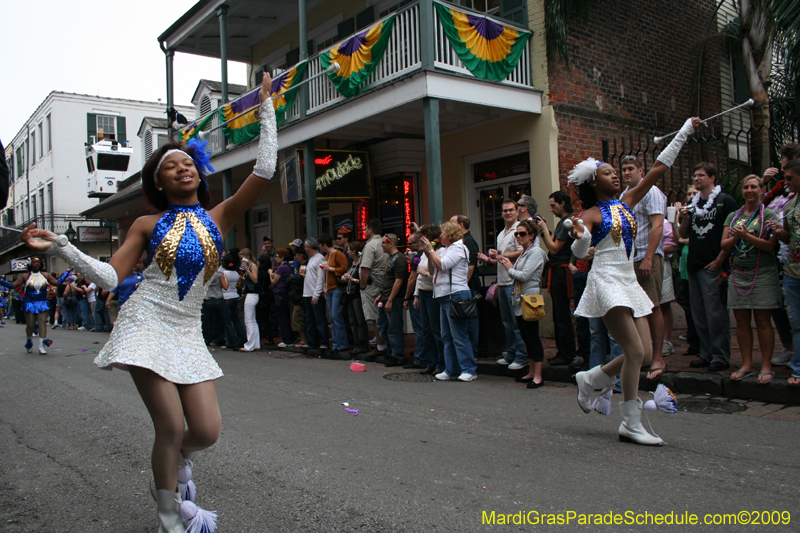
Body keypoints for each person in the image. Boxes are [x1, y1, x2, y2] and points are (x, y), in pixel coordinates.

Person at [21, 71, 278, 531]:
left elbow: (265, 169)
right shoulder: (145, 222)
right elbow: (106, 274)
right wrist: (63, 246)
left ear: (200, 170)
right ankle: (170, 514)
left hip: (187, 329)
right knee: (172, 426)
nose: (182, 168)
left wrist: (266, 107)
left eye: (187, 162)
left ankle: (179, 461)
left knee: (205, 432)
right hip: (145, 322)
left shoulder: (221, 216)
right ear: (159, 183)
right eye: (170, 167)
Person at [571, 117, 701, 446]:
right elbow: (580, 251)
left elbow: (657, 169)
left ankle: (592, 377)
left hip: (628, 281)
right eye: (606, 172)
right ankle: (629, 422)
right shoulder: (590, 215)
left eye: (615, 172)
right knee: (633, 350)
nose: (615, 173)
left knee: (642, 356)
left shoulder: (626, 202)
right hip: (606, 281)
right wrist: (581, 237)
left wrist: (683, 130)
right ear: (593, 183)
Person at [678, 162, 738, 372]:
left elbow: (732, 234)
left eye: (701, 175)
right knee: (699, 313)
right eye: (695, 175)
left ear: (712, 178)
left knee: (715, 313)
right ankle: (705, 352)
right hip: (694, 263)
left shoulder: (724, 201)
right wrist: (685, 218)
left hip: (713, 263)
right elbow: (682, 235)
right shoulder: (693, 204)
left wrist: (720, 260)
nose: (696, 179)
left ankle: (720, 356)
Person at [720, 175, 779, 384]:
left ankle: (765, 364)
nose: (749, 190)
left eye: (754, 186)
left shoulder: (769, 214)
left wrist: (747, 237)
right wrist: (737, 236)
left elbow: (770, 246)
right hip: (738, 273)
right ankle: (746, 363)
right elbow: (725, 246)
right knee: (742, 320)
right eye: (746, 187)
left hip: (761, 272)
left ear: (762, 190)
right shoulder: (733, 217)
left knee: (763, 320)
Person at [619, 156, 667, 379]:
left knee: (652, 306)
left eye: (631, 169)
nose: (626, 173)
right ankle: (642, 355)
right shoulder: (623, 196)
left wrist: (648, 257)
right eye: (624, 170)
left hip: (648, 257)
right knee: (635, 308)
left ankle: (657, 357)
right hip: (629, 259)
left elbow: (658, 226)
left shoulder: (652, 192)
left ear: (641, 171)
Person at [420, 221, 478, 382]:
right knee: (446, 335)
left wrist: (431, 251)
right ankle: (451, 369)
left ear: (450, 234)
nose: (440, 236)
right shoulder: (448, 249)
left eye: (443, 233)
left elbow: (443, 265)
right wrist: (428, 254)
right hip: (445, 295)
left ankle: (469, 369)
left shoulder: (459, 248)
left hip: (456, 294)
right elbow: (433, 271)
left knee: (459, 335)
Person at [497, 220, 548, 387]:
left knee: (532, 337)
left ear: (531, 235)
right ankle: (532, 372)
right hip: (520, 298)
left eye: (522, 234)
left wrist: (509, 268)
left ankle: (538, 376)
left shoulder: (536, 252)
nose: (518, 237)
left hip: (530, 298)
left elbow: (524, 275)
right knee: (525, 336)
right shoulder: (525, 253)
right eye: (516, 234)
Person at [478, 200, 528, 370]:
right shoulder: (501, 234)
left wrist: (500, 255)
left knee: (516, 322)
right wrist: (490, 259)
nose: (507, 213)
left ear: (517, 212)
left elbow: (523, 250)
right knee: (507, 322)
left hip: (514, 281)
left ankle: (522, 356)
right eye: (505, 210)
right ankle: (512, 352)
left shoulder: (520, 230)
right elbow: (501, 260)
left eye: (511, 210)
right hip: (502, 282)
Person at [764, 143, 800, 368]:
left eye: (789, 178)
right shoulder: (791, 205)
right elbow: (789, 237)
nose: (785, 182)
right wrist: (780, 232)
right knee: (796, 321)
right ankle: (797, 366)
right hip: (792, 270)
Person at [535, 191, 577, 367]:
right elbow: (552, 245)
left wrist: (544, 229)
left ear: (563, 203)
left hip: (561, 271)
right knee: (558, 315)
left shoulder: (567, 223)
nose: (552, 209)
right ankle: (563, 351)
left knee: (562, 315)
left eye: (554, 205)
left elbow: (554, 249)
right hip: (557, 270)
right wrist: (545, 232)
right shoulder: (562, 223)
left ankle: (567, 353)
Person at [414, 224, 445, 374]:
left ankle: (441, 362)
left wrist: (425, 273)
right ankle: (431, 362)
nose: (421, 240)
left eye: (424, 237)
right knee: (426, 330)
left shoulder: (440, 252)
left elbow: (437, 274)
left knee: (436, 330)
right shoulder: (424, 253)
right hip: (423, 292)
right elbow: (418, 276)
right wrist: (416, 295)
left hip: (434, 293)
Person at [375, 233, 409, 367]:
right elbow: (388, 280)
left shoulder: (399, 259)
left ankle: (397, 355)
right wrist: (381, 295)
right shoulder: (391, 258)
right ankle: (391, 351)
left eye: (384, 242)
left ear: (391, 244)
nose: (382, 245)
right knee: (382, 325)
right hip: (386, 297)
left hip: (393, 299)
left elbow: (399, 281)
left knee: (394, 328)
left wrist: (390, 300)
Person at [12, 256, 58, 354]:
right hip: (29, 303)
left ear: (41, 264)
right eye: (34, 262)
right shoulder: (25, 276)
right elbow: (12, 286)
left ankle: (42, 346)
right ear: (30, 264)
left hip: (42, 302)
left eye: (38, 262)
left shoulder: (46, 275)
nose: (36, 264)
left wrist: (67, 273)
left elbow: (58, 283)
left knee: (42, 323)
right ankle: (29, 341)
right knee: (30, 325)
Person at [451, 215, 481, 356]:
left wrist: (464, 284)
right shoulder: (460, 242)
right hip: (466, 286)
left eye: (452, 224)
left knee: (470, 320)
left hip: (470, 287)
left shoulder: (468, 241)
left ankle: (472, 352)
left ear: (461, 225)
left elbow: (471, 266)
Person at [319, 233, 349, 358]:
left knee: (337, 316)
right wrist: (325, 286)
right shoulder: (327, 255)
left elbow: (344, 268)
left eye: (320, 245)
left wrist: (330, 268)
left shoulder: (338, 254)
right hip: (330, 288)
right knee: (333, 317)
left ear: (324, 245)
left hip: (337, 288)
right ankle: (336, 344)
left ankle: (341, 344)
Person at [403, 231, 428, 369]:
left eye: (411, 242)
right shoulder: (421, 255)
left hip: (417, 295)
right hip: (421, 294)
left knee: (420, 328)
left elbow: (412, 279)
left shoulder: (419, 257)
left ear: (418, 243)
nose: (408, 244)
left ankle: (420, 358)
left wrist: (407, 297)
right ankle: (422, 355)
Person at [341, 241, 369, 356]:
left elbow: (364, 280)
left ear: (353, 252)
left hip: (357, 294)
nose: (347, 252)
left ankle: (363, 344)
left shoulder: (361, 264)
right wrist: (345, 278)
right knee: (353, 321)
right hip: (349, 294)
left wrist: (352, 279)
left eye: (349, 250)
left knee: (360, 320)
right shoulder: (352, 263)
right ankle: (357, 344)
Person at [303, 237, 327, 352]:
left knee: (319, 319)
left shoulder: (320, 259)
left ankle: (323, 342)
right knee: (310, 320)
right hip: (307, 293)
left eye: (305, 246)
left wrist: (316, 294)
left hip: (314, 294)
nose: (304, 248)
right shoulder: (311, 259)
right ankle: (312, 341)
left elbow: (320, 278)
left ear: (308, 247)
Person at [269, 248, 295, 348]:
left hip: (279, 293)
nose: (275, 258)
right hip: (285, 292)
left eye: (277, 256)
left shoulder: (281, 268)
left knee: (282, 317)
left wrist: (270, 274)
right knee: (285, 316)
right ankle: (289, 338)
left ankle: (286, 339)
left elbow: (274, 282)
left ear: (282, 257)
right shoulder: (288, 267)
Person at [239, 248, 261, 352]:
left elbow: (255, 279)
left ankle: (250, 345)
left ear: (247, 257)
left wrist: (247, 270)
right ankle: (256, 344)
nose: (241, 261)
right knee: (253, 320)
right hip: (252, 294)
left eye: (242, 258)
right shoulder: (252, 265)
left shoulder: (252, 266)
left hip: (251, 294)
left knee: (248, 321)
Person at [222, 257, 245, 350]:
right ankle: (243, 338)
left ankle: (230, 342)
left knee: (227, 322)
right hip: (235, 296)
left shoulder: (224, 274)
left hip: (226, 297)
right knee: (236, 320)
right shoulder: (236, 274)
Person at [289, 251, 308, 347]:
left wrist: (294, 277)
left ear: (301, 255)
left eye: (296, 255)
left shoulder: (305, 265)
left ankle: (304, 340)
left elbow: (301, 278)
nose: (295, 257)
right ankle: (302, 338)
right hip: (295, 295)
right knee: (297, 317)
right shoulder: (296, 267)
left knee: (299, 317)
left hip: (302, 295)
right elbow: (290, 276)